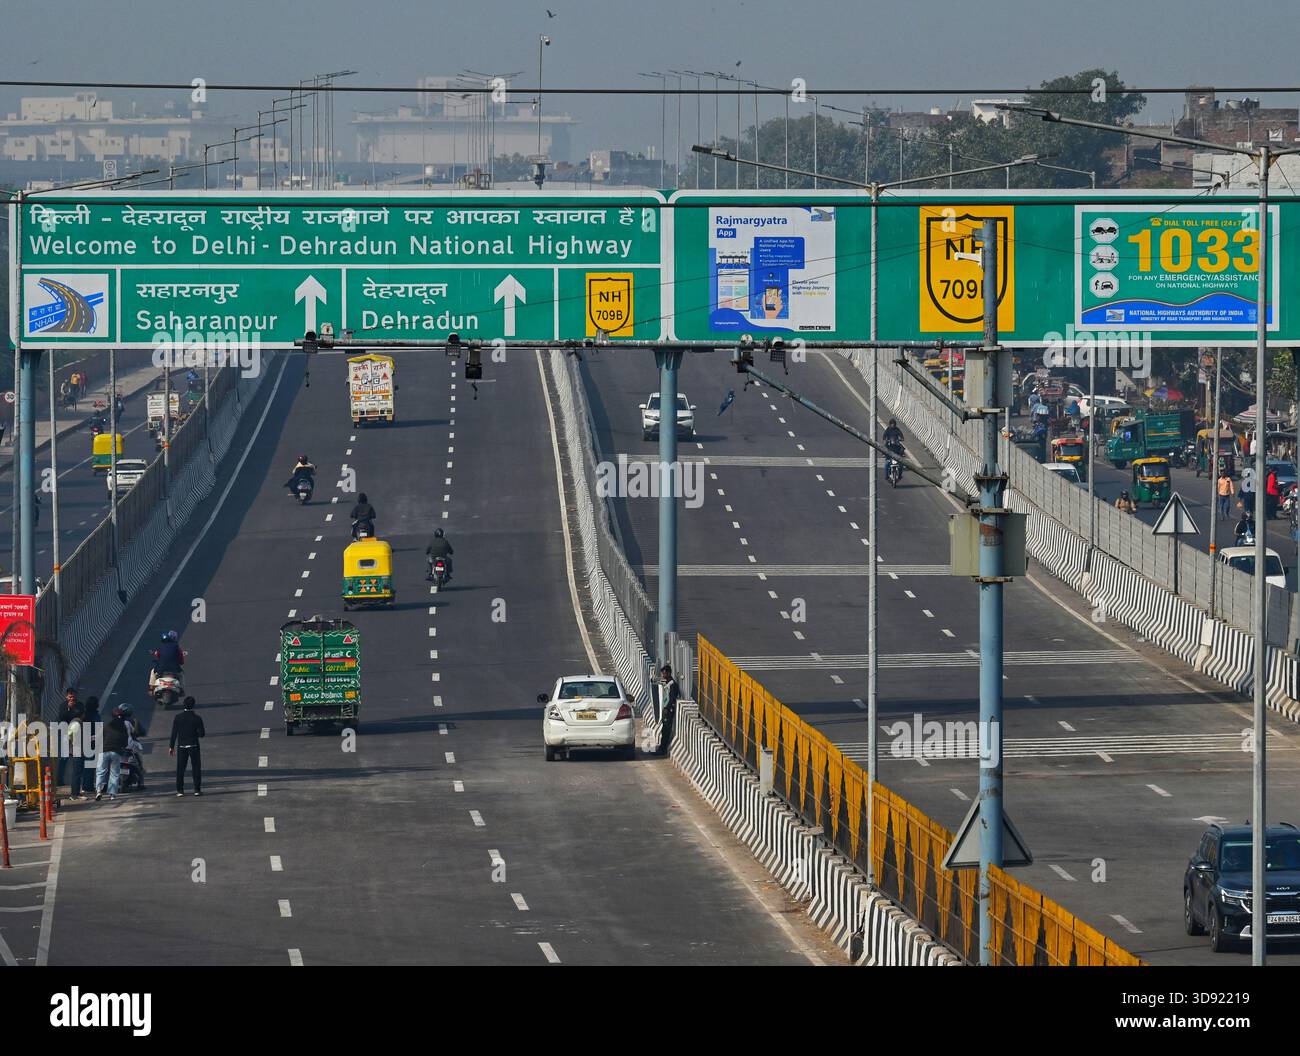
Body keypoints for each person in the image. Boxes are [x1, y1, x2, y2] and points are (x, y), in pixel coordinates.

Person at [169, 696, 206, 796]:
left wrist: (171, 746)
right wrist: (195, 733)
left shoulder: (178, 717)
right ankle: (197, 790)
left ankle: (180, 790)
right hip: (193, 745)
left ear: (183, 705)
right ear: (193, 705)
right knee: (196, 767)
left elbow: (174, 733)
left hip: (182, 746)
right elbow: (202, 734)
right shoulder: (197, 718)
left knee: (180, 769)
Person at [94, 707, 130, 801]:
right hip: (116, 752)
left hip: (104, 751)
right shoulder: (123, 727)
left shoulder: (107, 726)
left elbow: (99, 738)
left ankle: (98, 791)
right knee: (114, 774)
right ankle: (112, 794)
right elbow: (125, 743)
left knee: (101, 772)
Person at [150, 630, 185, 694]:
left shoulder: (160, 647)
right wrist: (181, 662)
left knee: (153, 672)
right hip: (174, 668)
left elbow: (158, 656)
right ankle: (181, 689)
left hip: (161, 668)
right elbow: (181, 658)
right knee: (181, 675)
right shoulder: (177, 647)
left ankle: (151, 689)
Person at [656, 663, 679, 756]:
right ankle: (661, 748)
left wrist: (667, 708)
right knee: (664, 729)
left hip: (669, 710)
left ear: (669, 673)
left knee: (666, 730)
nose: (663, 675)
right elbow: (657, 681)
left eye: (664, 674)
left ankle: (663, 749)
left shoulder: (672, 684)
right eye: (662, 674)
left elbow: (672, 698)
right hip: (665, 710)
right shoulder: (667, 682)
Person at [80, 697, 101, 796]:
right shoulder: (95, 716)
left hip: (83, 742)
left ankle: (85, 785)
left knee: (85, 765)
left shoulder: (84, 715)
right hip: (92, 743)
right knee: (90, 766)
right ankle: (88, 786)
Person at [66, 704, 86, 801]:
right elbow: (69, 735)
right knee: (77, 773)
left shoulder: (75, 722)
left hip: (76, 750)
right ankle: (74, 794)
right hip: (77, 750)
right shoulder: (77, 724)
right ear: (82, 714)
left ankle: (76, 792)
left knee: (77, 772)